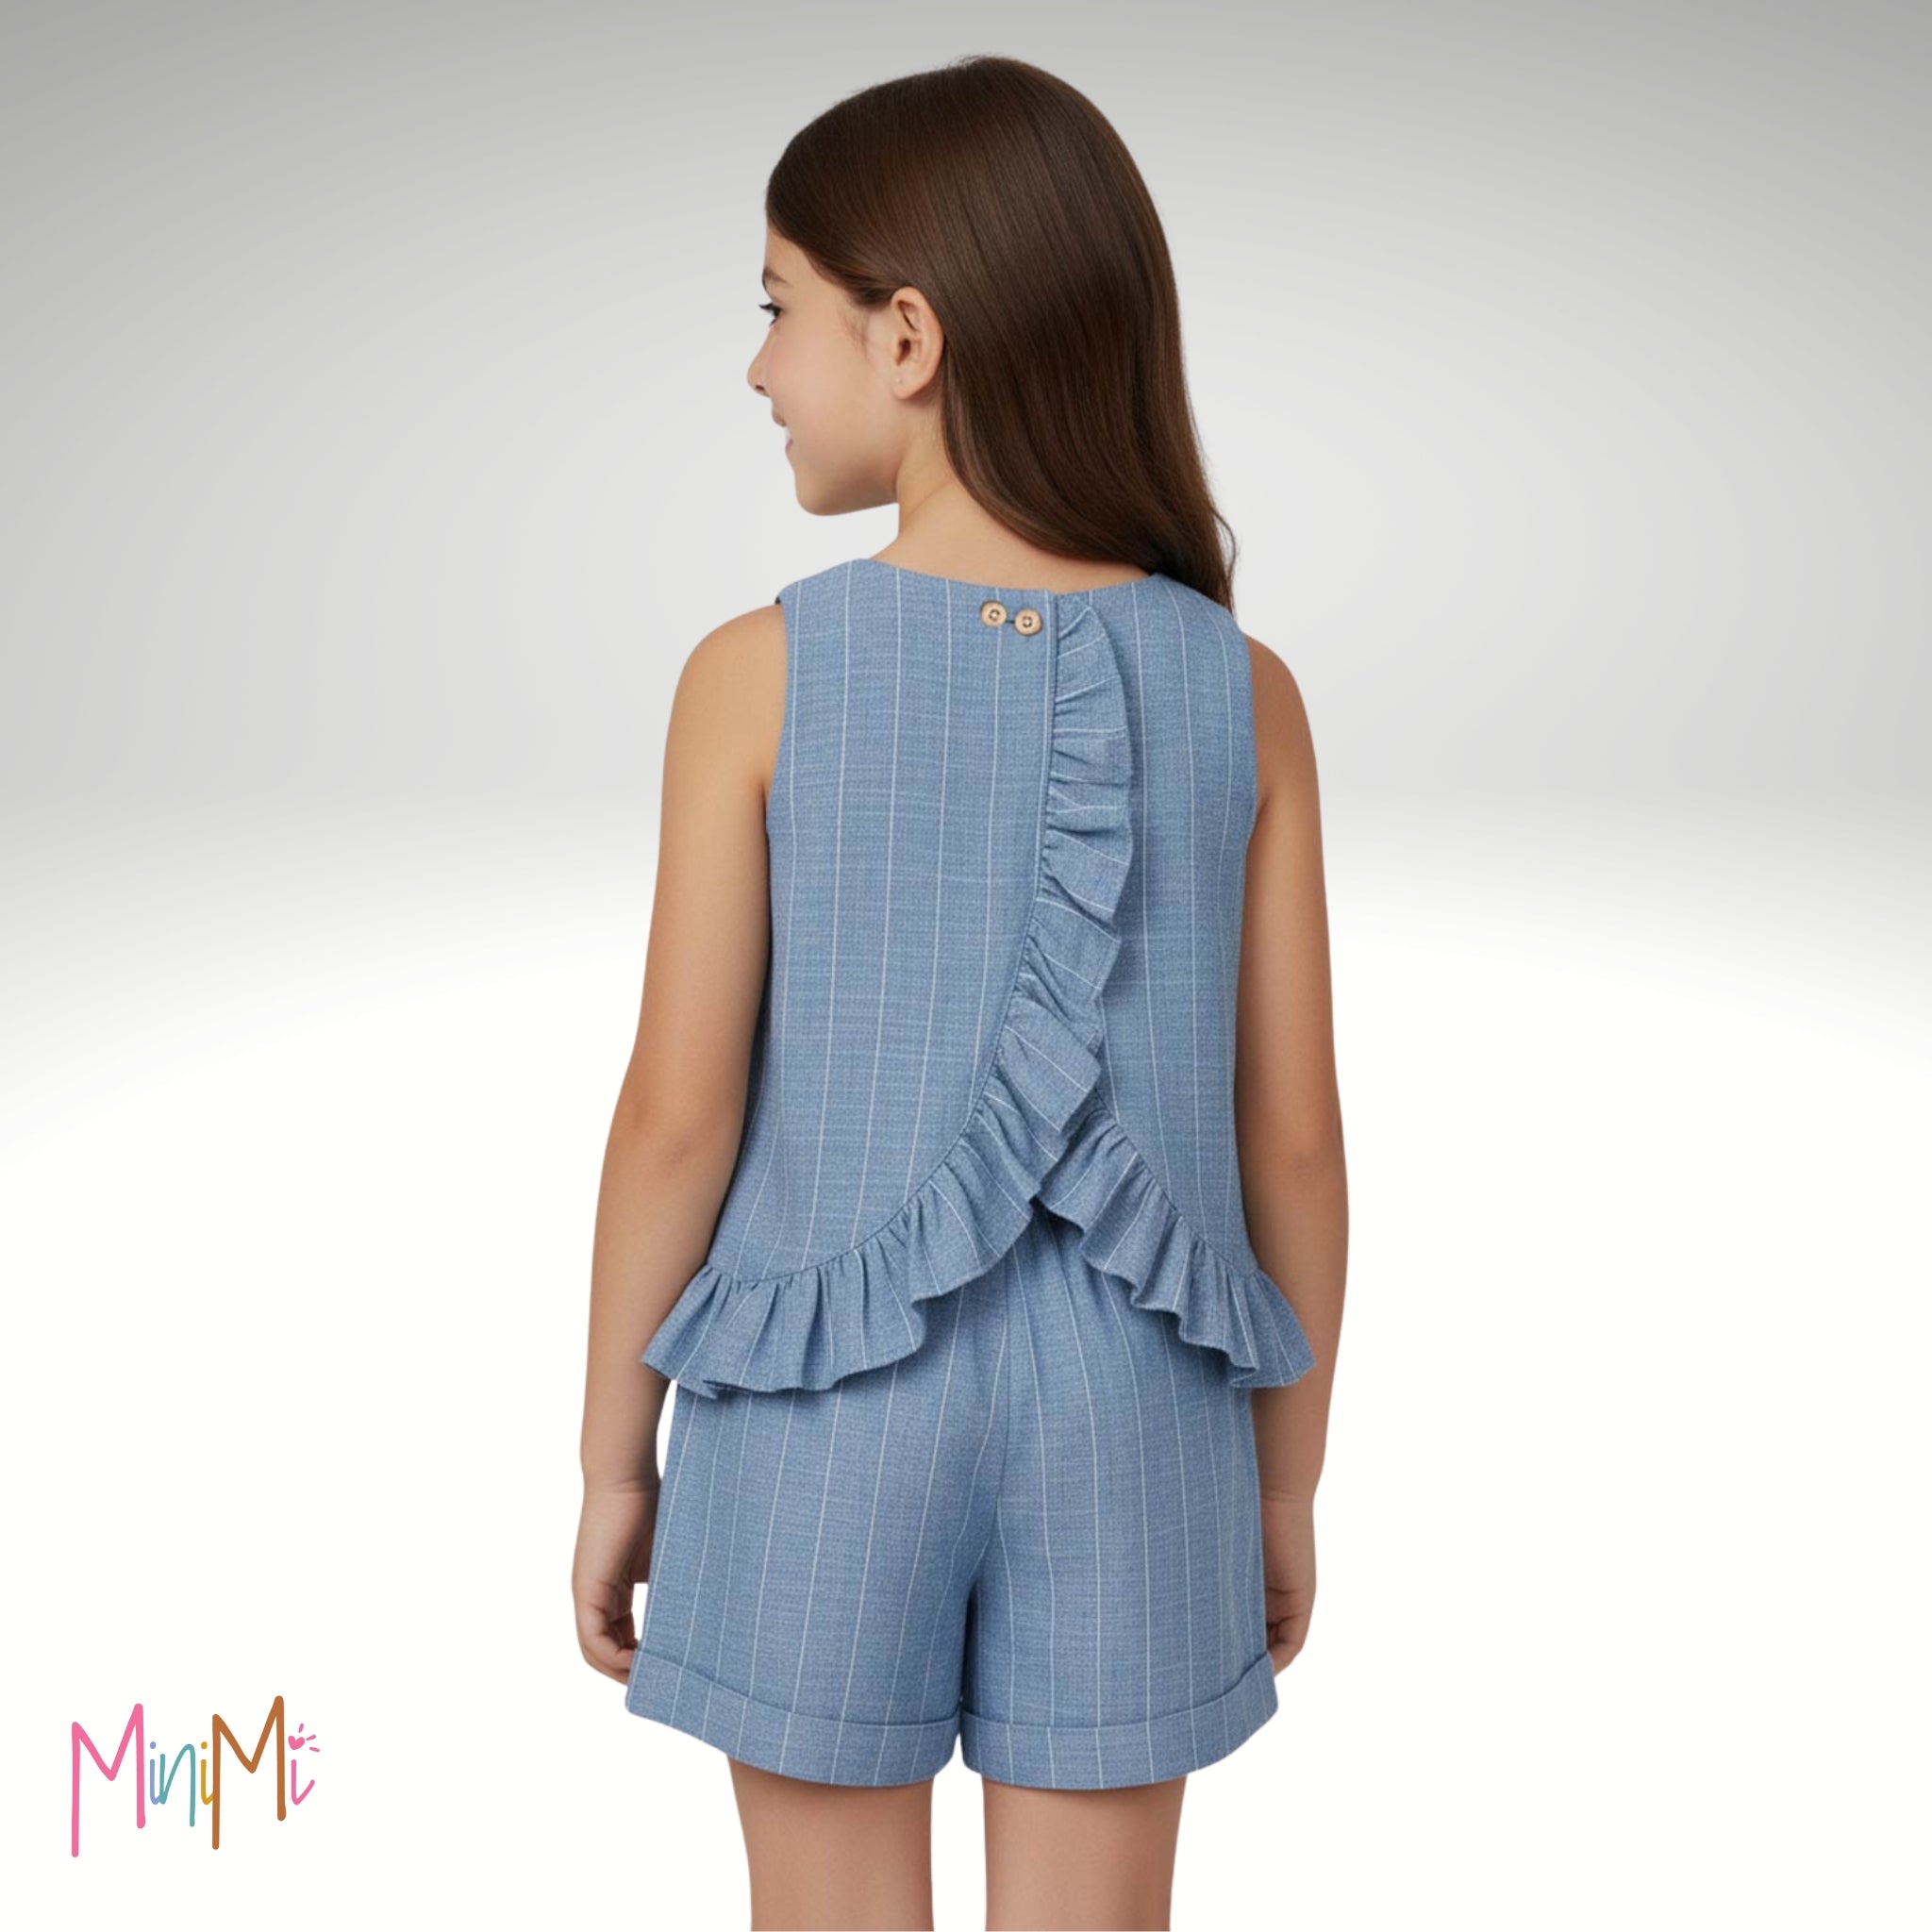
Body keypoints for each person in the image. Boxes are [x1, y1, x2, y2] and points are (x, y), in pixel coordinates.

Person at [573, 53, 1346, 1932]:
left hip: (818, 1400)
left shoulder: (758, 675)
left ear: (906, 336)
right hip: (1145, 1417)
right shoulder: (1240, 692)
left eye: (779, 307)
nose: (758, 367)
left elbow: (677, 1118)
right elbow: (1295, 1146)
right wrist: (1283, 1486)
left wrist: (613, 1459)